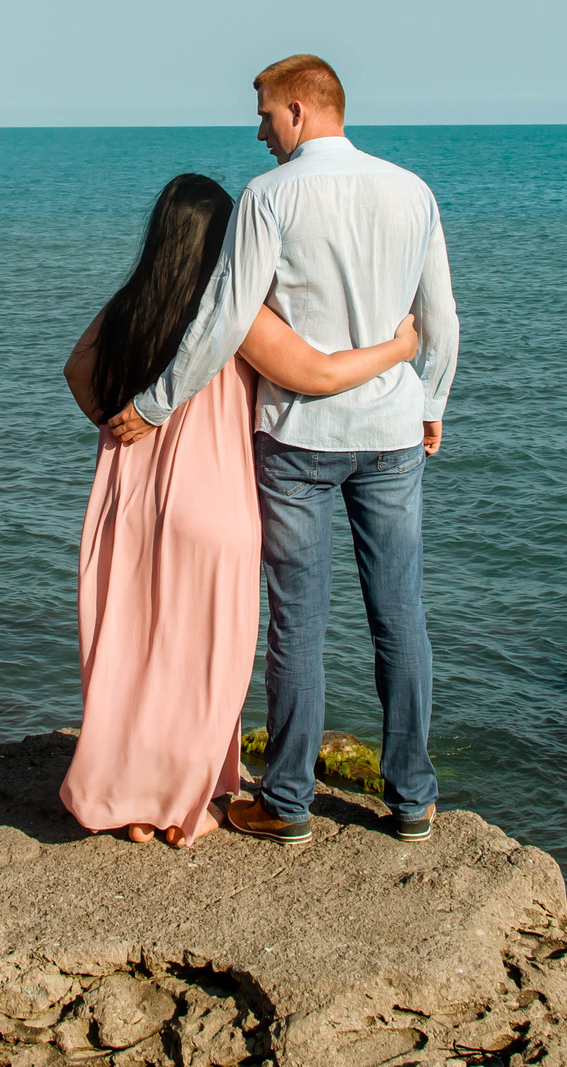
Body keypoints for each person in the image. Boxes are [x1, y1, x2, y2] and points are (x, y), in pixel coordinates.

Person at [109, 54, 459, 844]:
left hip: (299, 436)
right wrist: (432, 401)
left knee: (298, 620)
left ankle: (289, 802)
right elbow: (441, 318)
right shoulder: (413, 191)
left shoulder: (271, 196)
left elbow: (226, 318)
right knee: (400, 613)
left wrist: (157, 403)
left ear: (300, 110)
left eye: (265, 114)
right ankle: (412, 800)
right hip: (394, 433)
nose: (260, 130)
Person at [59, 172, 419, 847]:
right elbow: (317, 372)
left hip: (127, 502)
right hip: (214, 502)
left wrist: (117, 427)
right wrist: (400, 348)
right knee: (204, 657)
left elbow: (79, 371)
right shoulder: (233, 313)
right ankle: (185, 803)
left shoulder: (131, 303)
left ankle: (131, 800)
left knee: (135, 650)